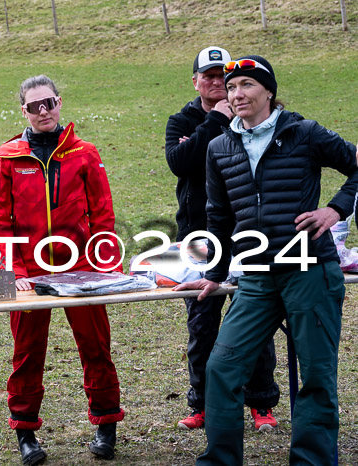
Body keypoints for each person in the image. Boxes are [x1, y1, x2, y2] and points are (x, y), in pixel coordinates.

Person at [174, 55, 358, 464]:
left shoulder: (305, 133)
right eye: (232, 86)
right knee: (222, 368)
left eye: (247, 85)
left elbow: (355, 167)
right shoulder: (220, 146)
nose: (237, 94)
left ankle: (311, 460)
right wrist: (215, 274)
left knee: (316, 376)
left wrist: (336, 210)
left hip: (309, 270)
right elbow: (218, 217)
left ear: (269, 91)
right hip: (255, 274)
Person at [0, 75, 125, 465]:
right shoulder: (8, 156)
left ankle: (106, 424)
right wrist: (13, 271)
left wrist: (103, 266)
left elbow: (103, 216)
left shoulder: (84, 152)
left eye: (48, 103)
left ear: (60, 103)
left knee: (96, 347)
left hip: (80, 266)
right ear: (23, 111)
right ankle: (26, 432)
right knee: (27, 353)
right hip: (28, 270)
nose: (43, 111)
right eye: (34, 106)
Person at [165, 46, 279, 432]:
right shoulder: (182, 120)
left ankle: (260, 402)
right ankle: (201, 403)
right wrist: (215, 119)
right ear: (195, 80)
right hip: (198, 236)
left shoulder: (252, 117)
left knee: (255, 318)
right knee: (202, 323)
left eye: (223, 78)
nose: (217, 84)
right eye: (208, 76)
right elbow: (182, 163)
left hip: (249, 234)